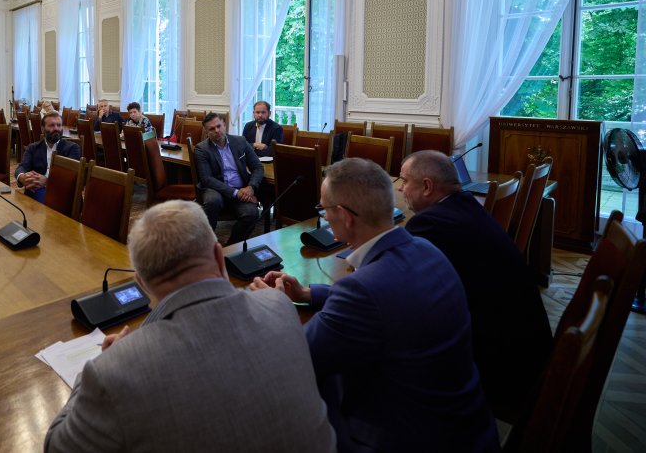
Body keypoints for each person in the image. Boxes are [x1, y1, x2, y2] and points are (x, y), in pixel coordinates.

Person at [44, 200, 336, 453]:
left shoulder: (114, 372)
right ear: (219, 255)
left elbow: (56, 446)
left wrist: (98, 367)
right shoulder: (280, 307)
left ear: (141, 284)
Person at [251, 158, 498, 452]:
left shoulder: (361, 289)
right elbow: (390, 302)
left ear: (345, 216)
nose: (324, 217)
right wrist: (308, 293)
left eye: (324, 209)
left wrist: (274, 305)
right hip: (469, 427)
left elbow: (297, 358)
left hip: (406, 438)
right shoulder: (428, 250)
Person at [400, 150, 552, 422]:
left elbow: (390, 282)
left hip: (503, 369)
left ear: (427, 187)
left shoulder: (431, 224)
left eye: (405, 181)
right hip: (529, 353)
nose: (401, 188)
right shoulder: (468, 206)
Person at [193, 112, 263, 244]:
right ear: (206, 132)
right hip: (216, 188)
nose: (217, 131)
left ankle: (231, 247)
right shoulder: (202, 149)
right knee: (212, 201)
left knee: (252, 213)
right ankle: (206, 244)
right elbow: (207, 179)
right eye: (212, 129)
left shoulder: (240, 141)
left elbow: (258, 167)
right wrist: (237, 193)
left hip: (242, 188)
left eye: (219, 126)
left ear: (224, 125)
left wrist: (251, 187)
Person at [15, 111, 81, 202]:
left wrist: (47, 181)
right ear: (43, 129)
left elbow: (71, 177)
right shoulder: (33, 148)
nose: (56, 128)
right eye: (51, 125)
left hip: (62, 191)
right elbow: (22, 167)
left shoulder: (72, 148)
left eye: (59, 125)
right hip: (36, 188)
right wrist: (22, 177)